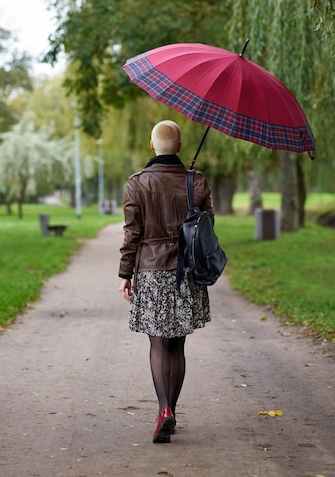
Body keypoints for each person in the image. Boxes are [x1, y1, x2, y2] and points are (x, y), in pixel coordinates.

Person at [118, 120, 214, 443]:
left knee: (158, 342)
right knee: (178, 344)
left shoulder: (137, 184)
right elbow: (208, 227)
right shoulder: (196, 181)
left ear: (152, 146)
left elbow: (133, 233)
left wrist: (124, 274)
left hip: (150, 270)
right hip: (186, 272)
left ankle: (163, 410)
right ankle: (170, 408)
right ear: (180, 146)